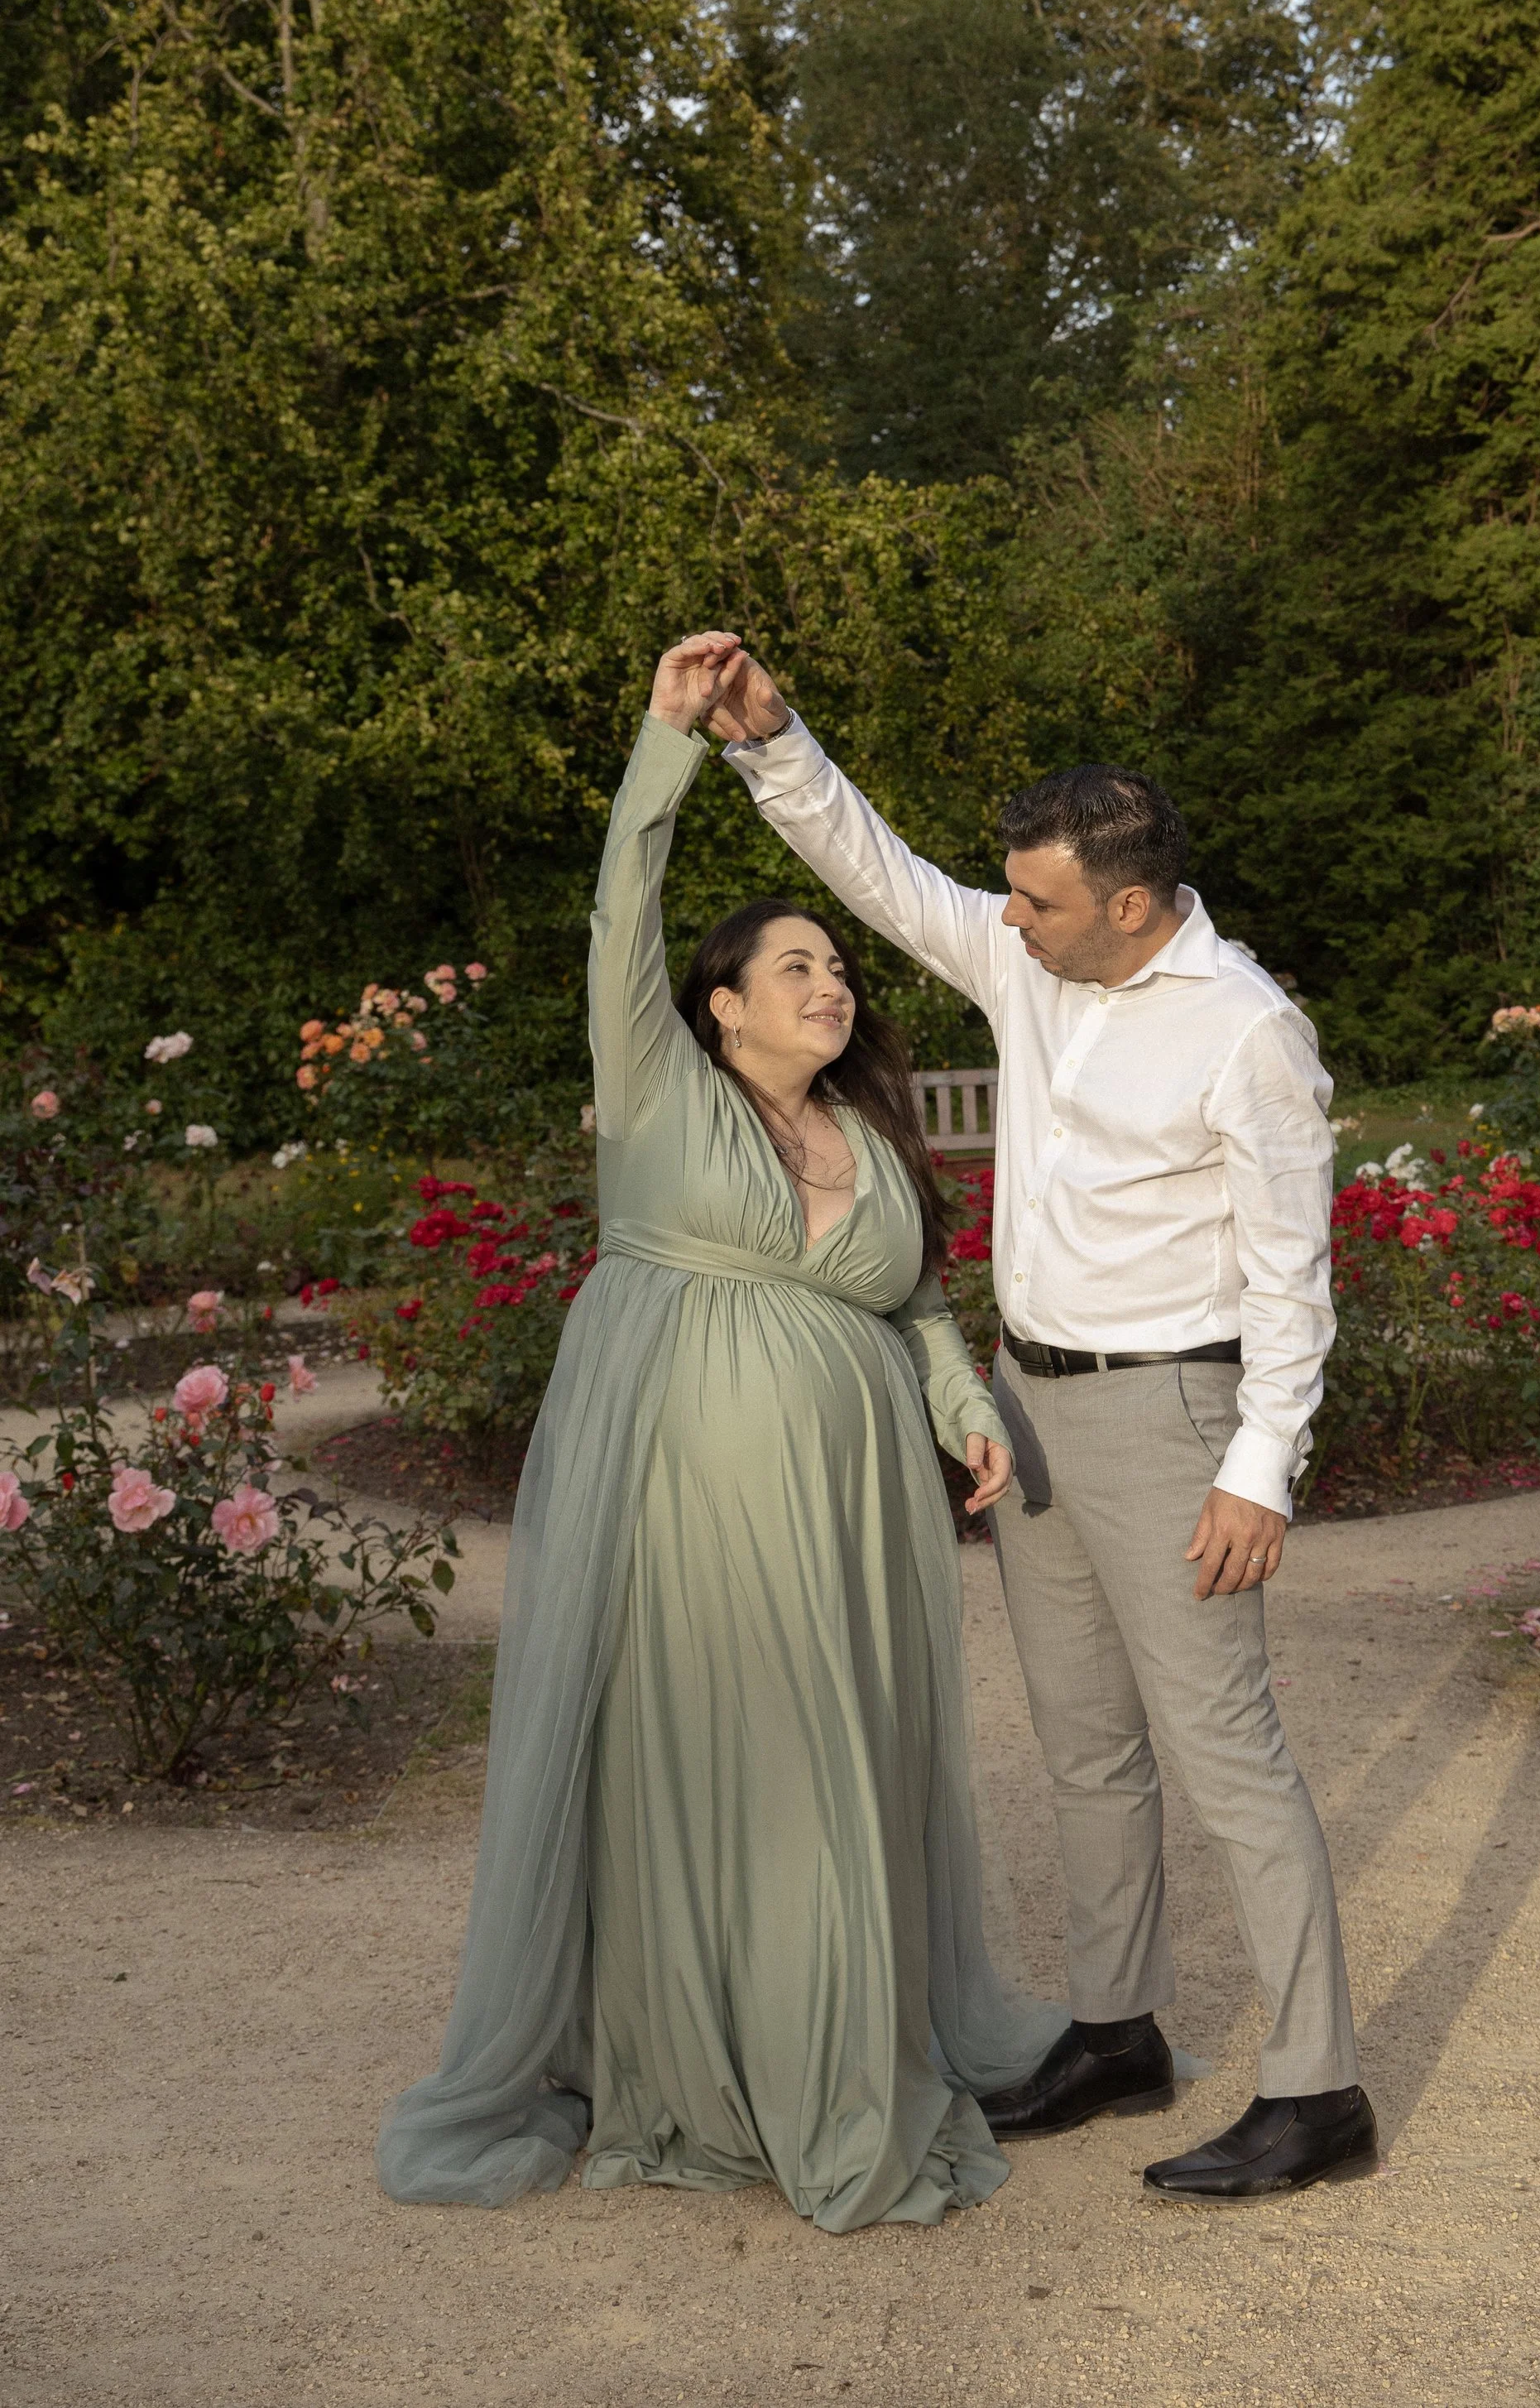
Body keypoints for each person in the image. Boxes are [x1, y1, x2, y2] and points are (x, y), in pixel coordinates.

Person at [377, 637, 1061, 2228]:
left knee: (852, 1779)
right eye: (799, 966)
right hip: (694, 1510)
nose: (833, 985)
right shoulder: (664, 1102)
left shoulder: (868, 1140)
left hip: (859, 1520)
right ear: (721, 1004)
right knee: (741, 1779)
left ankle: (837, 2049)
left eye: (842, 967)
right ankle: (747, 2078)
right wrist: (667, 746)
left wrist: (963, 1401)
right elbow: (622, 918)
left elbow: (908, 1304)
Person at [704, 637, 1377, 2202]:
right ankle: (1117, 2027)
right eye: (1010, 893)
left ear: (1130, 906)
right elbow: (876, 871)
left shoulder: (1247, 1030)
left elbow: (1296, 1275)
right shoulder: (1031, 957)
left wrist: (1258, 1469)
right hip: (1033, 1401)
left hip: (1175, 1415)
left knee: (1230, 1757)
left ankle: (1319, 2086)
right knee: (1084, 1749)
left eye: (1039, 897)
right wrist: (772, 738)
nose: (1004, 914)